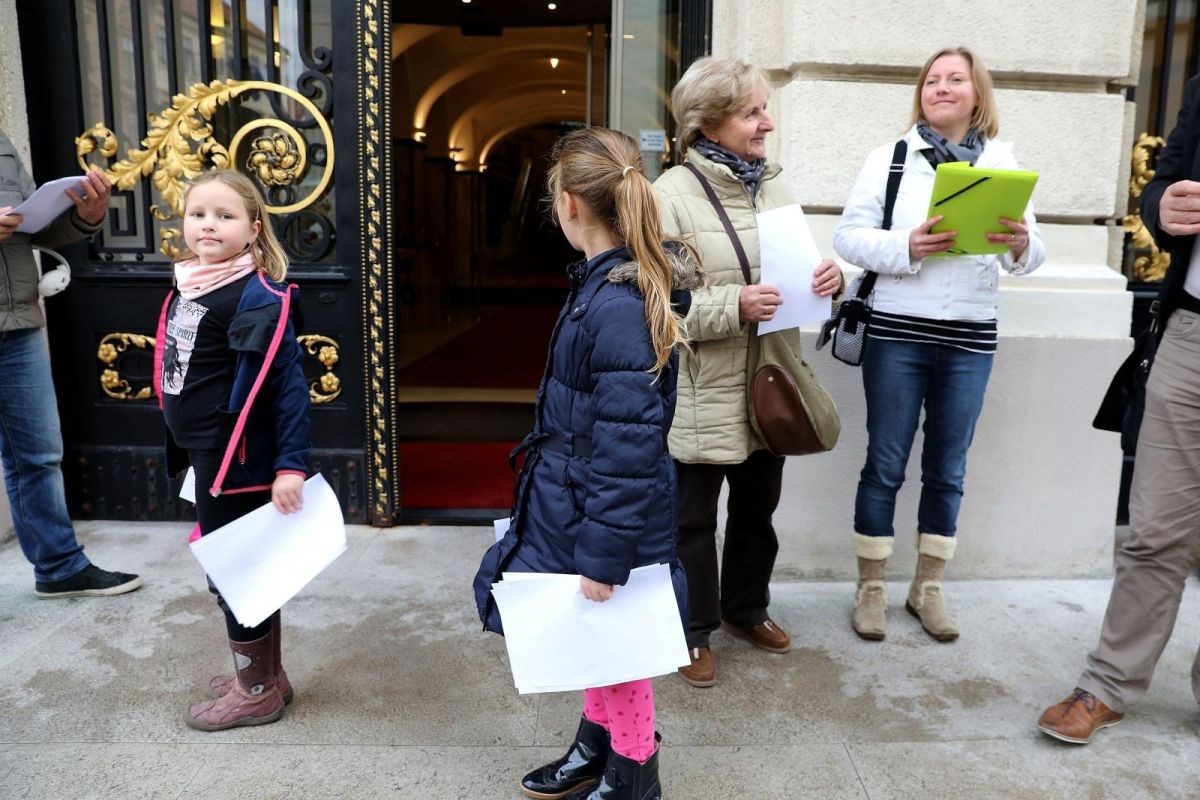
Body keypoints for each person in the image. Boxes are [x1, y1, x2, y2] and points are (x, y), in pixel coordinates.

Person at [472, 127, 701, 800]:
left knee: (620, 649)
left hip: (600, 508)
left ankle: (635, 776)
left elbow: (629, 445)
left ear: (569, 204)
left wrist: (604, 555)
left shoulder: (617, 304)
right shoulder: (602, 286)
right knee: (598, 638)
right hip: (576, 497)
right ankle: (596, 747)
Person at [833, 47, 1044, 642]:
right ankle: (871, 588)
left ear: (978, 95)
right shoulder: (890, 158)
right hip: (898, 331)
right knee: (884, 465)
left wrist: (1020, 244)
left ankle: (927, 589)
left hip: (971, 336)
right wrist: (907, 245)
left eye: (956, 79)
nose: (942, 88)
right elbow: (847, 237)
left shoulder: (1003, 164)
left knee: (948, 469)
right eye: (932, 80)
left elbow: (1031, 254)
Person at [652, 56, 843, 687]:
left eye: (765, 108)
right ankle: (692, 631)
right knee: (692, 522)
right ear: (708, 124)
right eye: (751, 112)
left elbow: (798, 276)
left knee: (758, 513)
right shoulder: (668, 196)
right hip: (703, 389)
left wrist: (829, 280)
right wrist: (733, 305)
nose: (768, 123)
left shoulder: (775, 187)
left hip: (769, 382)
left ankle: (745, 609)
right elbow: (659, 306)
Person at [1037, 73, 1200, 745]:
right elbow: (1160, 184)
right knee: (1155, 529)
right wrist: (1165, 208)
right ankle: (1107, 684)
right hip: (1191, 334)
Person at [152, 169, 310, 731]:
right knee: (242, 568)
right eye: (198, 214)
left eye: (225, 215)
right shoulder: (190, 282)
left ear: (253, 227)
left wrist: (290, 466)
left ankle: (255, 691)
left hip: (237, 462)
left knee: (235, 573)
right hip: (205, 454)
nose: (208, 225)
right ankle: (268, 675)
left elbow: (288, 388)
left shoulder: (255, 297)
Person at [0, 128, 142, 598]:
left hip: (17, 321)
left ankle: (60, 568)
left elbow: (32, 227)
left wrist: (86, 216)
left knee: (38, 456)